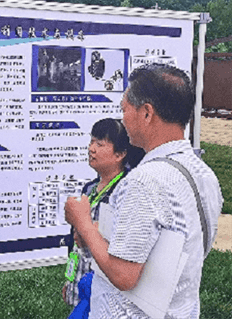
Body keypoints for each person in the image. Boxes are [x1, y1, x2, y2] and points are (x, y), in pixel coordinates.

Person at [65, 63, 223, 318]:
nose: (123, 118)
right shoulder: (203, 173)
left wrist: (82, 222)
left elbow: (123, 275)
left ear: (147, 113)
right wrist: (96, 236)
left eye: (125, 109)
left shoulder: (144, 181)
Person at [62, 118, 144, 318]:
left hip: (104, 286)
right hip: (80, 276)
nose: (91, 149)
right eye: (91, 142)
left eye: (100, 144)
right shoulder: (89, 189)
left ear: (120, 154)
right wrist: (69, 280)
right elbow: (75, 241)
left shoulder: (124, 193)